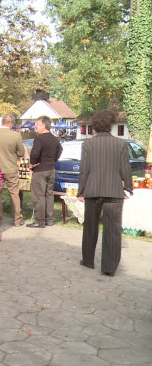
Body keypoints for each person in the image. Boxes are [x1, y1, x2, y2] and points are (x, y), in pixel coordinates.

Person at [78, 110, 133, 277]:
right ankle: (109, 267)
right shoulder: (121, 144)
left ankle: (88, 260)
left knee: (90, 227)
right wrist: (128, 188)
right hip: (114, 191)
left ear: (94, 125)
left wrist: (81, 191)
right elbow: (125, 169)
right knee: (112, 230)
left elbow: (84, 171)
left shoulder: (88, 144)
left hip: (92, 190)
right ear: (111, 125)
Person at [0, 113, 26, 227]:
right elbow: (21, 153)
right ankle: (17, 219)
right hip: (10, 168)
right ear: (11, 123)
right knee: (14, 193)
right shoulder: (15, 135)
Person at [27, 116, 63, 228]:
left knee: (39, 195)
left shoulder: (40, 138)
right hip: (51, 169)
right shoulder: (54, 138)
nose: (35, 127)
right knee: (49, 194)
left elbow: (34, 154)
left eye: (37, 124)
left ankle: (40, 221)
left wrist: (32, 164)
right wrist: (53, 160)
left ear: (44, 125)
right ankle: (49, 219)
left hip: (40, 170)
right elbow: (60, 150)